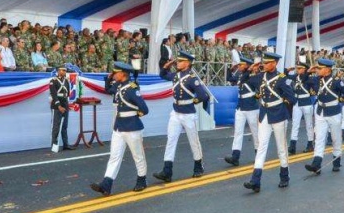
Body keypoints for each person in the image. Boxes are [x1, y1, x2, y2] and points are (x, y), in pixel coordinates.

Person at [90, 62, 150, 196]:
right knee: (114, 157)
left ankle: (142, 179)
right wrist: (110, 77)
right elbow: (108, 89)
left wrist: (133, 115)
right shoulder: (118, 85)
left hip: (132, 127)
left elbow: (144, 109)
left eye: (116, 72)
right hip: (118, 127)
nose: (114, 74)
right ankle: (107, 184)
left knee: (138, 156)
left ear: (123, 73)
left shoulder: (132, 88)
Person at [153, 51, 210, 182]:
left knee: (193, 141)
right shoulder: (175, 75)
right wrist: (169, 64)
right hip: (175, 113)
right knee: (171, 141)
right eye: (177, 61)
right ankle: (167, 171)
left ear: (187, 63)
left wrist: (192, 102)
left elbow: (203, 96)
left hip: (188, 114)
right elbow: (162, 74)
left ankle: (198, 166)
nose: (177, 63)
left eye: (180, 61)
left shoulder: (192, 78)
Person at [243, 52, 296, 191]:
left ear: (274, 63)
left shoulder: (282, 79)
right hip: (264, 114)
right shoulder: (260, 77)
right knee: (261, 147)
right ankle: (256, 181)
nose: (264, 65)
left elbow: (292, 99)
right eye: (263, 63)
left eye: (267, 63)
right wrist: (249, 69)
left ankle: (284, 176)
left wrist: (283, 107)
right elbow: (244, 81)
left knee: (281, 148)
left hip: (279, 114)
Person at [306, 58, 344, 175]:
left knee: (335, 138)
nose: (317, 70)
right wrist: (309, 71)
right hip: (320, 112)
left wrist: (343, 99)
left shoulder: (337, 81)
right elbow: (304, 81)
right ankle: (316, 164)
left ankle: (336, 162)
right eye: (317, 68)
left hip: (334, 112)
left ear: (327, 69)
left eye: (320, 68)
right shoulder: (316, 80)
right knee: (319, 138)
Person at [223, 57, 260, 166]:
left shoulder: (253, 77)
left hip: (251, 107)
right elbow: (229, 78)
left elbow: (256, 86)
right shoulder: (240, 75)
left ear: (248, 66)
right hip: (240, 107)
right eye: (238, 65)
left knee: (255, 132)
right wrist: (231, 68)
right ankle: (235, 156)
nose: (239, 66)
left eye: (241, 65)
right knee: (238, 132)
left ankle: (258, 154)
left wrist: (250, 70)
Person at [287, 61, 316, 155]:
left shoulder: (309, 78)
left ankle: (310, 144)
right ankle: (292, 145)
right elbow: (285, 76)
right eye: (297, 68)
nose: (297, 70)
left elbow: (305, 78)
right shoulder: (295, 77)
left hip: (306, 103)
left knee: (309, 125)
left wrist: (308, 72)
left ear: (304, 69)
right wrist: (287, 70)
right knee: (295, 124)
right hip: (297, 103)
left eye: (299, 68)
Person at [50, 65, 76, 152]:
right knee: (56, 126)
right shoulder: (53, 81)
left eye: (65, 71)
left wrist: (66, 105)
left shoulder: (66, 81)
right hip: (57, 106)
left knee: (64, 126)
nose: (64, 72)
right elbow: (54, 95)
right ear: (58, 71)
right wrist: (59, 106)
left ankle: (65, 144)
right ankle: (54, 145)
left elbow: (67, 94)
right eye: (63, 70)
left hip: (65, 104)